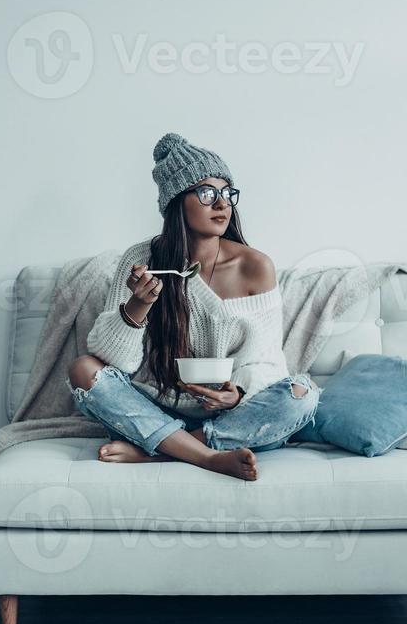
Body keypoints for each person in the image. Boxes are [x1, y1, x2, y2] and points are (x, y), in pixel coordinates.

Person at [66, 132, 321, 481]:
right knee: (83, 369)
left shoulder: (255, 266)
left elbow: (267, 360)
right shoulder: (142, 259)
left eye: (227, 193)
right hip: (152, 408)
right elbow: (117, 363)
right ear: (176, 201)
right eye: (206, 193)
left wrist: (239, 394)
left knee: (301, 396)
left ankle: (164, 453)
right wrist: (138, 306)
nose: (222, 204)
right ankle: (206, 456)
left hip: (227, 417)